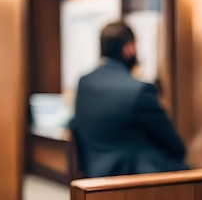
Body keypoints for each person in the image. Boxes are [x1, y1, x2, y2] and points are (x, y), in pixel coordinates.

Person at [70, 21, 188, 178]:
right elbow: (176, 148)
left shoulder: (84, 83)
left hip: (93, 177)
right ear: (129, 48)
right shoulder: (139, 91)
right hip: (132, 185)